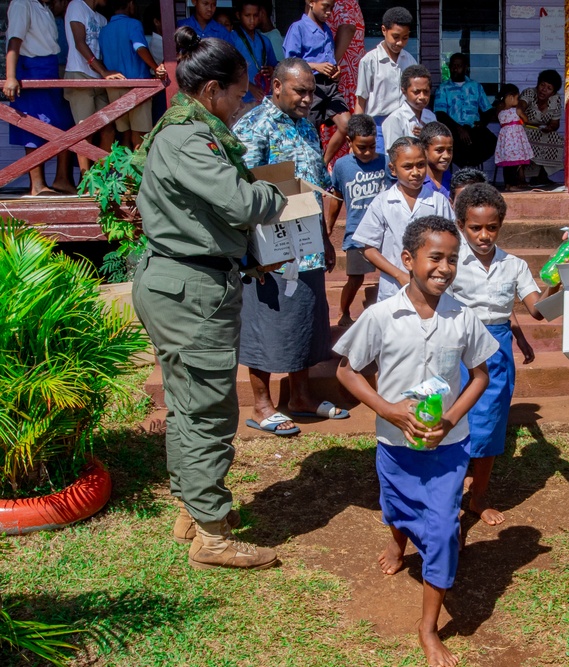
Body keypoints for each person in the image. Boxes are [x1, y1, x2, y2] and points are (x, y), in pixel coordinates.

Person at [130, 26, 286, 569]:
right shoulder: (188, 138)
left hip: (183, 284)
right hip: (190, 290)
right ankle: (212, 535)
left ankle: (189, 507)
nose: (243, 105)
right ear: (213, 89)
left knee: (188, 403)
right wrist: (279, 190)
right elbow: (243, 202)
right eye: (240, 94)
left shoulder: (182, 132)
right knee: (209, 411)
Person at [334, 215, 497, 667]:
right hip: (394, 444)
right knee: (396, 509)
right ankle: (398, 541)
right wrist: (387, 409)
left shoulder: (462, 316)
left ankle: (427, 627)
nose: (445, 268)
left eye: (453, 259)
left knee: (444, 529)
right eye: (435, 257)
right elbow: (347, 370)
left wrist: (450, 419)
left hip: (448, 447)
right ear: (408, 260)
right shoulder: (382, 316)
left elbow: (481, 373)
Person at [233, 57, 348, 434]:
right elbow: (243, 191)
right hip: (270, 249)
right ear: (277, 86)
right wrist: (254, 252)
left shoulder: (307, 126)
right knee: (265, 322)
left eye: (312, 92)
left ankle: (300, 397)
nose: (307, 99)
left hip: (308, 242)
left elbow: (314, 185)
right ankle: (263, 406)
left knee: (304, 321)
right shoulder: (254, 126)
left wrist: (325, 239)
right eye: (300, 91)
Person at [449, 183, 557, 526]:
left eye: (492, 228)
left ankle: (478, 497)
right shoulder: (450, 260)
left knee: (489, 423)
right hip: (454, 345)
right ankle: (446, 492)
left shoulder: (514, 265)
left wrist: (558, 280)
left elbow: (537, 310)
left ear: (501, 225)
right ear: (460, 224)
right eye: (475, 227)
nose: (484, 235)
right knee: (449, 419)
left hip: (495, 348)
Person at [353, 137, 454, 303]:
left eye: (421, 165)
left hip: (434, 286)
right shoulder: (382, 202)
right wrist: (399, 275)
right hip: (394, 288)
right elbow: (369, 249)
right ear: (393, 169)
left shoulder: (438, 201)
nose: (416, 172)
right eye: (407, 167)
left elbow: (452, 241)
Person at [4, 0, 77, 195]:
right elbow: (14, 40)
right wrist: (11, 77)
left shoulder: (43, 6)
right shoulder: (22, 3)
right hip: (32, 69)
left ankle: (62, 178)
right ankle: (37, 185)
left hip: (49, 68)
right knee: (34, 125)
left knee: (64, 124)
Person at [330, 113, 390, 326]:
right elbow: (336, 198)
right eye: (361, 147)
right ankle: (344, 311)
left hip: (385, 232)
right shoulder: (341, 166)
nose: (367, 152)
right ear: (349, 142)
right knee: (355, 278)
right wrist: (328, 227)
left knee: (389, 275)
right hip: (357, 233)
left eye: (372, 146)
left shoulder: (386, 162)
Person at [283, 0, 351, 161]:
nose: (329, 12)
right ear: (311, 2)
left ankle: (323, 161)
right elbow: (289, 62)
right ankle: (312, 166)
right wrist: (315, 66)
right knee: (310, 133)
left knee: (347, 125)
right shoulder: (298, 28)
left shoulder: (326, 29)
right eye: (325, 6)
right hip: (311, 88)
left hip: (330, 86)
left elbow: (330, 59)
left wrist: (336, 70)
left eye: (332, 8)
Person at [63, 0, 123, 172]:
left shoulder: (101, 18)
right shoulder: (76, 5)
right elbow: (80, 43)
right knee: (85, 130)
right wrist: (104, 71)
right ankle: (86, 179)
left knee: (108, 129)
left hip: (98, 78)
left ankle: (100, 176)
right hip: (79, 74)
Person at [99, 0, 166, 149]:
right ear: (130, 4)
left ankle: (125, 172)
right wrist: (156, 68)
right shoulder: (133, 24)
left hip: (114, 88)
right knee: (139, 135)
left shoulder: (104, 30)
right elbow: (139, 47)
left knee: (124, 133)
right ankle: (138, 172)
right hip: (137, 88)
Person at [354, 6, 416, 153]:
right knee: (382, 168)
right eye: (396, 37)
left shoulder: (410, 61)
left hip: (404, 126)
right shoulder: (369, 61)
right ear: (384, 30)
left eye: (405, 38)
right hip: (378, 127)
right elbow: (361, 101)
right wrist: (356, 134)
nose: (400, 43)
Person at [433, 52, 496, 168]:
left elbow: (488, 110)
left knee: (490, 141)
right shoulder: (443, 88)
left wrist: (482, 124)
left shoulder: (475, 86)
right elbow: (440, 114)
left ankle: (470, 168)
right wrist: (459, 129)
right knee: (457, 144)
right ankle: (465, 170)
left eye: (459, 66)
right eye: (453, 66)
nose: (455, 69)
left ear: (466, 67)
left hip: (473, 129)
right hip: (453, 129)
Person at [321, 0, 364, 165]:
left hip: (341, 75)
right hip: (347, 74)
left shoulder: (342, 2)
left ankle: (334, 173)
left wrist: (332, 65)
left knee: (339, 128)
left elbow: (348, 28)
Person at [227, 0, 277, 105]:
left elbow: (275, 65)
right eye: (247, 15)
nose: (252, 20)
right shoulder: (231, 39)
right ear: (238, 15)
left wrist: (272, 70)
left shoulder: (265, 41)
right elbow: (228, 70)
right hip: (241, 100)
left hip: (264, 96)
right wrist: (249, 86)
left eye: (255, 15)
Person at [519, 69, 563, 185]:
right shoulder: (529, 92)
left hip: (542, 130)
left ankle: (541, 176)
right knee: (521, 139)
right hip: (524, 129)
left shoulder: (556, 99)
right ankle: (521, 178)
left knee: (557, 140)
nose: (544, 90)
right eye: (542, 85)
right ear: (538, 84)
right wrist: (521, 113)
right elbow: (520, 106)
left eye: (549, 88)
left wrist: (550, 127)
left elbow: (555, 123)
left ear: (553, 92)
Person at [381, 63, 435, 154]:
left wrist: (427, 137)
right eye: (416, 92)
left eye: (426, 91)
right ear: (404, 91)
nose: (422, 96)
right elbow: (395, 156)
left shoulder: (431, 117)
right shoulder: (395, 120)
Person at [495, 83, 533, 191]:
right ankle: (512, 185)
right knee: (514, 164)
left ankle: (508, 184)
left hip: (506, 140)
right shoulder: (516, 111)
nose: (518, 100)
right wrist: (520, 112)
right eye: (517, 97)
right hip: (514, 140)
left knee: (508, 164)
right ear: (511, 97)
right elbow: (526, 120)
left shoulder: (499, 111)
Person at [421, 121, 453, 198]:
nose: (446, 156)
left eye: (449, 150)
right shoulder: (416, 184)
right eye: (439, 150)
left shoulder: (455, 183)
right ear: (424, 150)